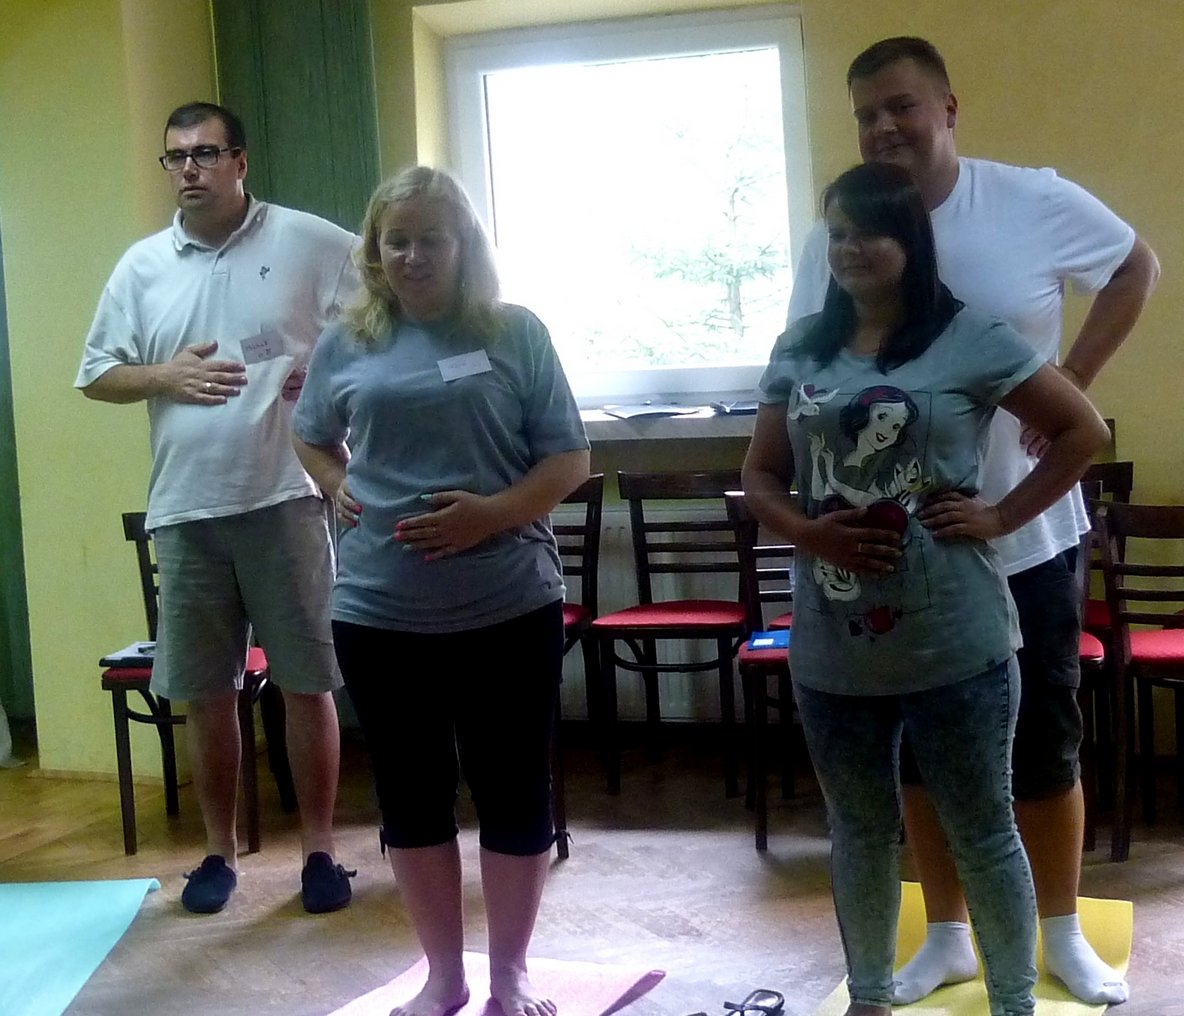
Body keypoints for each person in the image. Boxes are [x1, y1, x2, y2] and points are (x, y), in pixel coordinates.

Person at [786, 37, 1160, 1005]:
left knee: (1041, 741)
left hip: (1021, 535)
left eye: (901, 106)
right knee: (918, 754)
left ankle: (1060, 932)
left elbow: (1135, 265)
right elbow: (808, 369)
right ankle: (947, 931)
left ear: (947, 108)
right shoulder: (839, 232)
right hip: (892, 561)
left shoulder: (1028, 199)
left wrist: (1071, 380)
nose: (882, 127)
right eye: (865, 113)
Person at [744, 161, 1110, 1016]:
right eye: (838, 233)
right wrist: (808, 531)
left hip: (957, 638)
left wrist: (1001, 514)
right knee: (860, 834)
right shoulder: (800, 348)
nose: (851, 249)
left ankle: (1013, 1002)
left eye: (870, 231)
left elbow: (1081, 429)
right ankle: (869, 999)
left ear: (910, 238)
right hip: (833, 643)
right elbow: (760, 473)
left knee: (985, 831)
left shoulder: (970, 336)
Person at [291, 166, 590, 1016]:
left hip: (508, 604)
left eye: (431, 239)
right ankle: (443, 976)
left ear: (463, 245)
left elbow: (570, 459)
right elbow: (310, 434)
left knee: (513, 792)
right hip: (380, 612)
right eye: (398, 241)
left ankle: (510, 975)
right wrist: (333, 483)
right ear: (375, 251)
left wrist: (489, 516)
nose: (413, 256)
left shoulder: (515, 332)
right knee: (412, 798)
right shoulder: (347, 342)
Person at [75, 101, 357, 915]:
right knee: (207, 690)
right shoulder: (141, 267)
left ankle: (319, 853)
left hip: (287, 498)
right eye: (175, 157)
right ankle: (217, 854)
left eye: (205, 153)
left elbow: (377, 325)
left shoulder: (309, 240)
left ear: (240, 161)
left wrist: (327, 377)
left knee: (307, 683)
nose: (189, 169)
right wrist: (164, 375)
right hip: (186, 509)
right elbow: (97, 373)